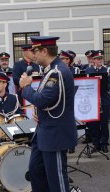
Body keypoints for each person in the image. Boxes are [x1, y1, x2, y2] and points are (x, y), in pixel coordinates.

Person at [19, 36, 77, 192]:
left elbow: (43, 99)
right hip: (44, 131)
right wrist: (39, 111)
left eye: (35, 51)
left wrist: (26, 87)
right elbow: (49, 100)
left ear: (45, 51)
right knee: (35, 171)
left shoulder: (57, 72)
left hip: (55, 134)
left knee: (56, 178)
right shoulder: (50, 70)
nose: (33, 54)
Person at [85, 50, 110, 153]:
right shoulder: (88, 70)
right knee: (93, 123)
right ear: (94, 60)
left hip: (104, 99)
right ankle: (96, 144)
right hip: (92, 100)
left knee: (104, 123)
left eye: (101, 59)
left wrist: (105, 86)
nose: (99, 60)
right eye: (97, 59)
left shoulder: (107, 70)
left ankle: (104, 143)